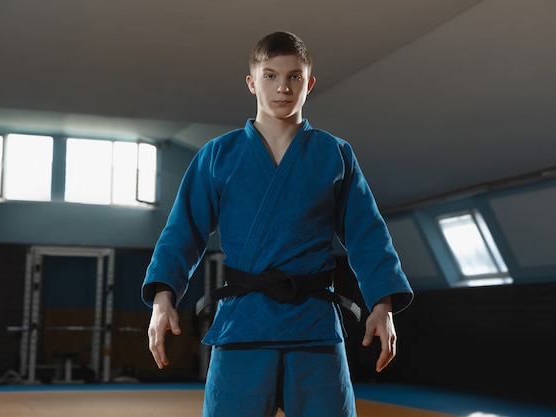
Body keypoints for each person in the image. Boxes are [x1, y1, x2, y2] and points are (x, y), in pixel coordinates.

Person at [142, 31, 413, 417]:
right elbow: (182, 232)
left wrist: (382, 305)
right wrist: (162, 297)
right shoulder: (218, 155)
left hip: (315, 327)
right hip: (242, 324)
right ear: (252, 82)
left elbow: (368, 234)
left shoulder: (334, 154)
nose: (282, 87)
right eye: (270, 76)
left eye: (294, 77)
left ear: (309, 83)